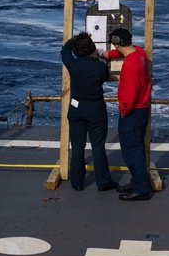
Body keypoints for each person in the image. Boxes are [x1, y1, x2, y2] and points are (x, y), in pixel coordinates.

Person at [61, 32, 117, 192]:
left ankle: (77, 182)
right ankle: (103, 182)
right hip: (95, 108)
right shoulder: (100, 67)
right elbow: (105, 76)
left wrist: (74, 40)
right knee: (98, 146)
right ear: (92, 48)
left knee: (77, 146)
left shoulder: (73, 64)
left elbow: (64, 51)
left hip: (76, 108)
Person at [103, 27, 152, 201]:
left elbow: (130, 94)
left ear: (115, 43)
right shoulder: (139, 52)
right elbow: (124, 53)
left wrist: (124, 110)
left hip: (132, 111)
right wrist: (108, 54)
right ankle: (138, 181)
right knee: (136, 149)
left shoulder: (130, 65)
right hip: (142, 108)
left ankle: (141, 189)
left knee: (132, 152)